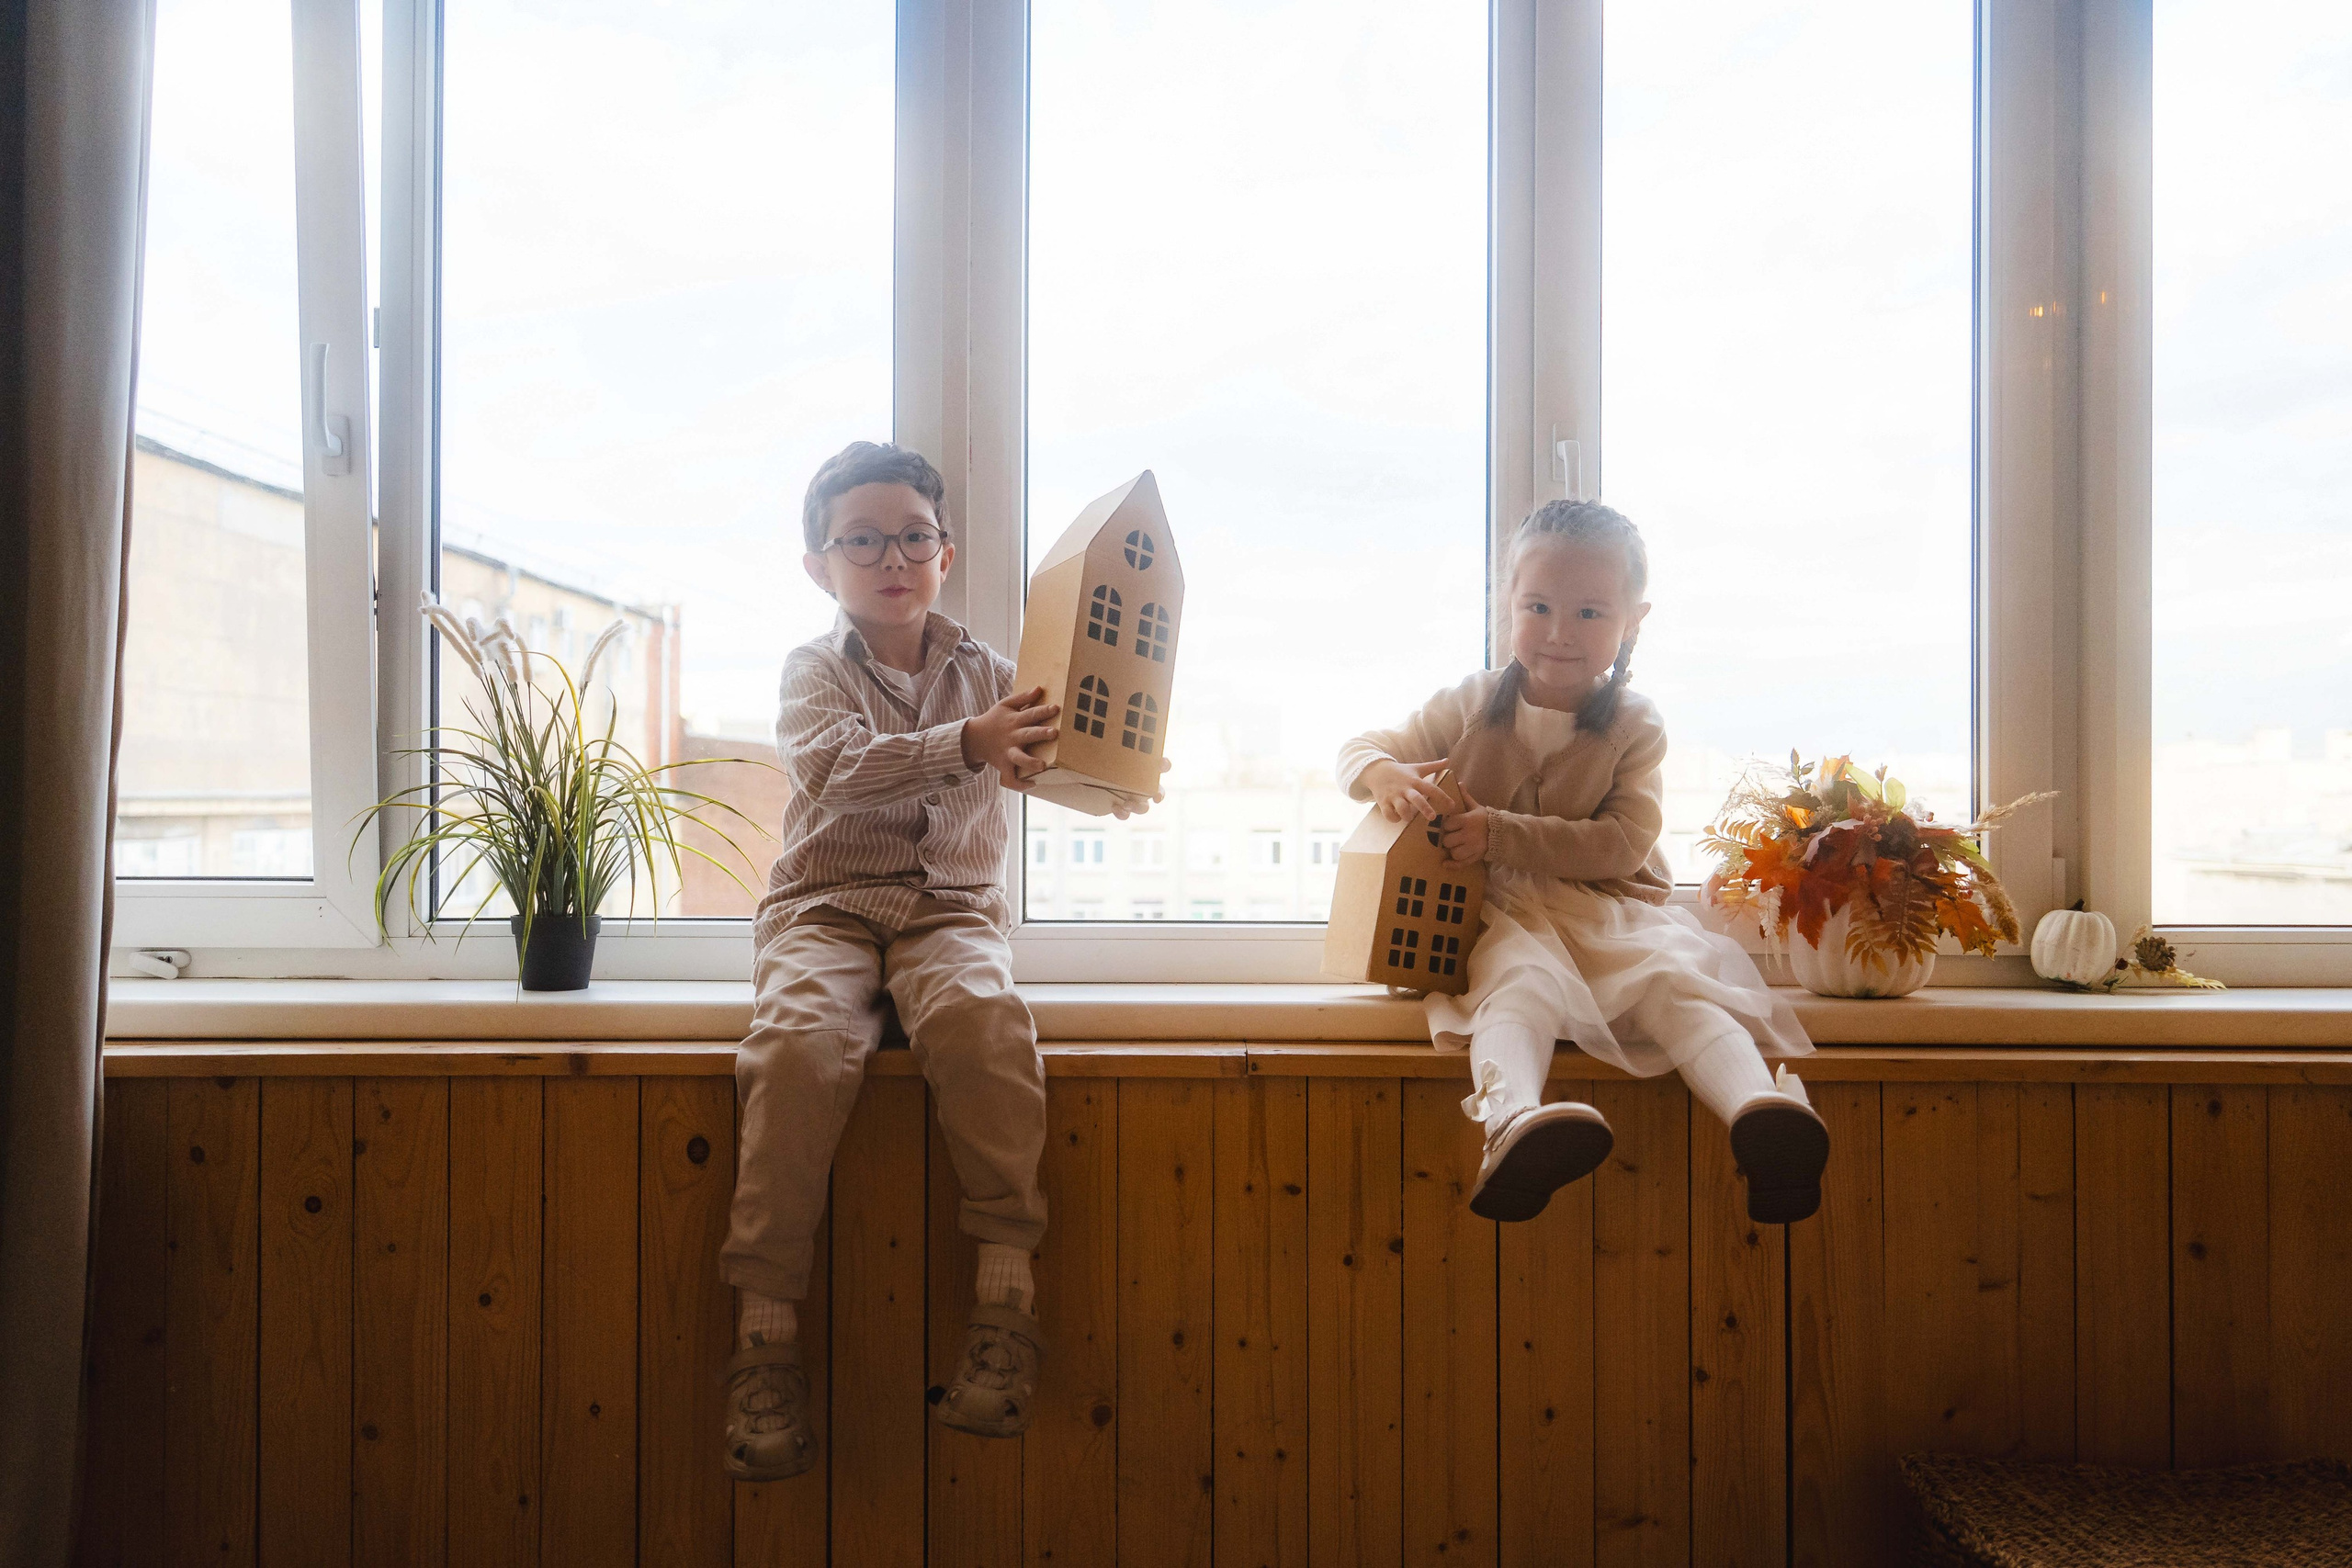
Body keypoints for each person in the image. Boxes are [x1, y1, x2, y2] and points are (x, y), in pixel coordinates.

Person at [721, 441, 1066, 1480]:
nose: (892, 558)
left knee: (984, 1021)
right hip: (825, 910)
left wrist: (1104, 771)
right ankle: (764, 1326)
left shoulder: (989, 674)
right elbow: (833, 768)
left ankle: (1006, 1294)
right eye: (862, 540)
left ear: (945, 554)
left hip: (949, 910)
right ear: (819, 564)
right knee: (796, 1045)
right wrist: (970, 743)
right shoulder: (815, 670)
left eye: (914, 536)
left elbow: (1052, 757)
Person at [1337, 499, 1828, 1227]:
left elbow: (1623, 840)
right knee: (1519, 983)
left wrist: (1499, 832)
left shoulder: (1634, 723)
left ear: (1634, 620)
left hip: (1606, 907)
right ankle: (1510, 1124)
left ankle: (1761, 1111)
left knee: (1675, 983)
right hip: (1495, 913)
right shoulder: (1471, 701)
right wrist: (1382, 774)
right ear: (1507, 603)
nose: (1560, 632)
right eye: (1537, 606)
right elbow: (1359, 749)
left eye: (1590, 613)